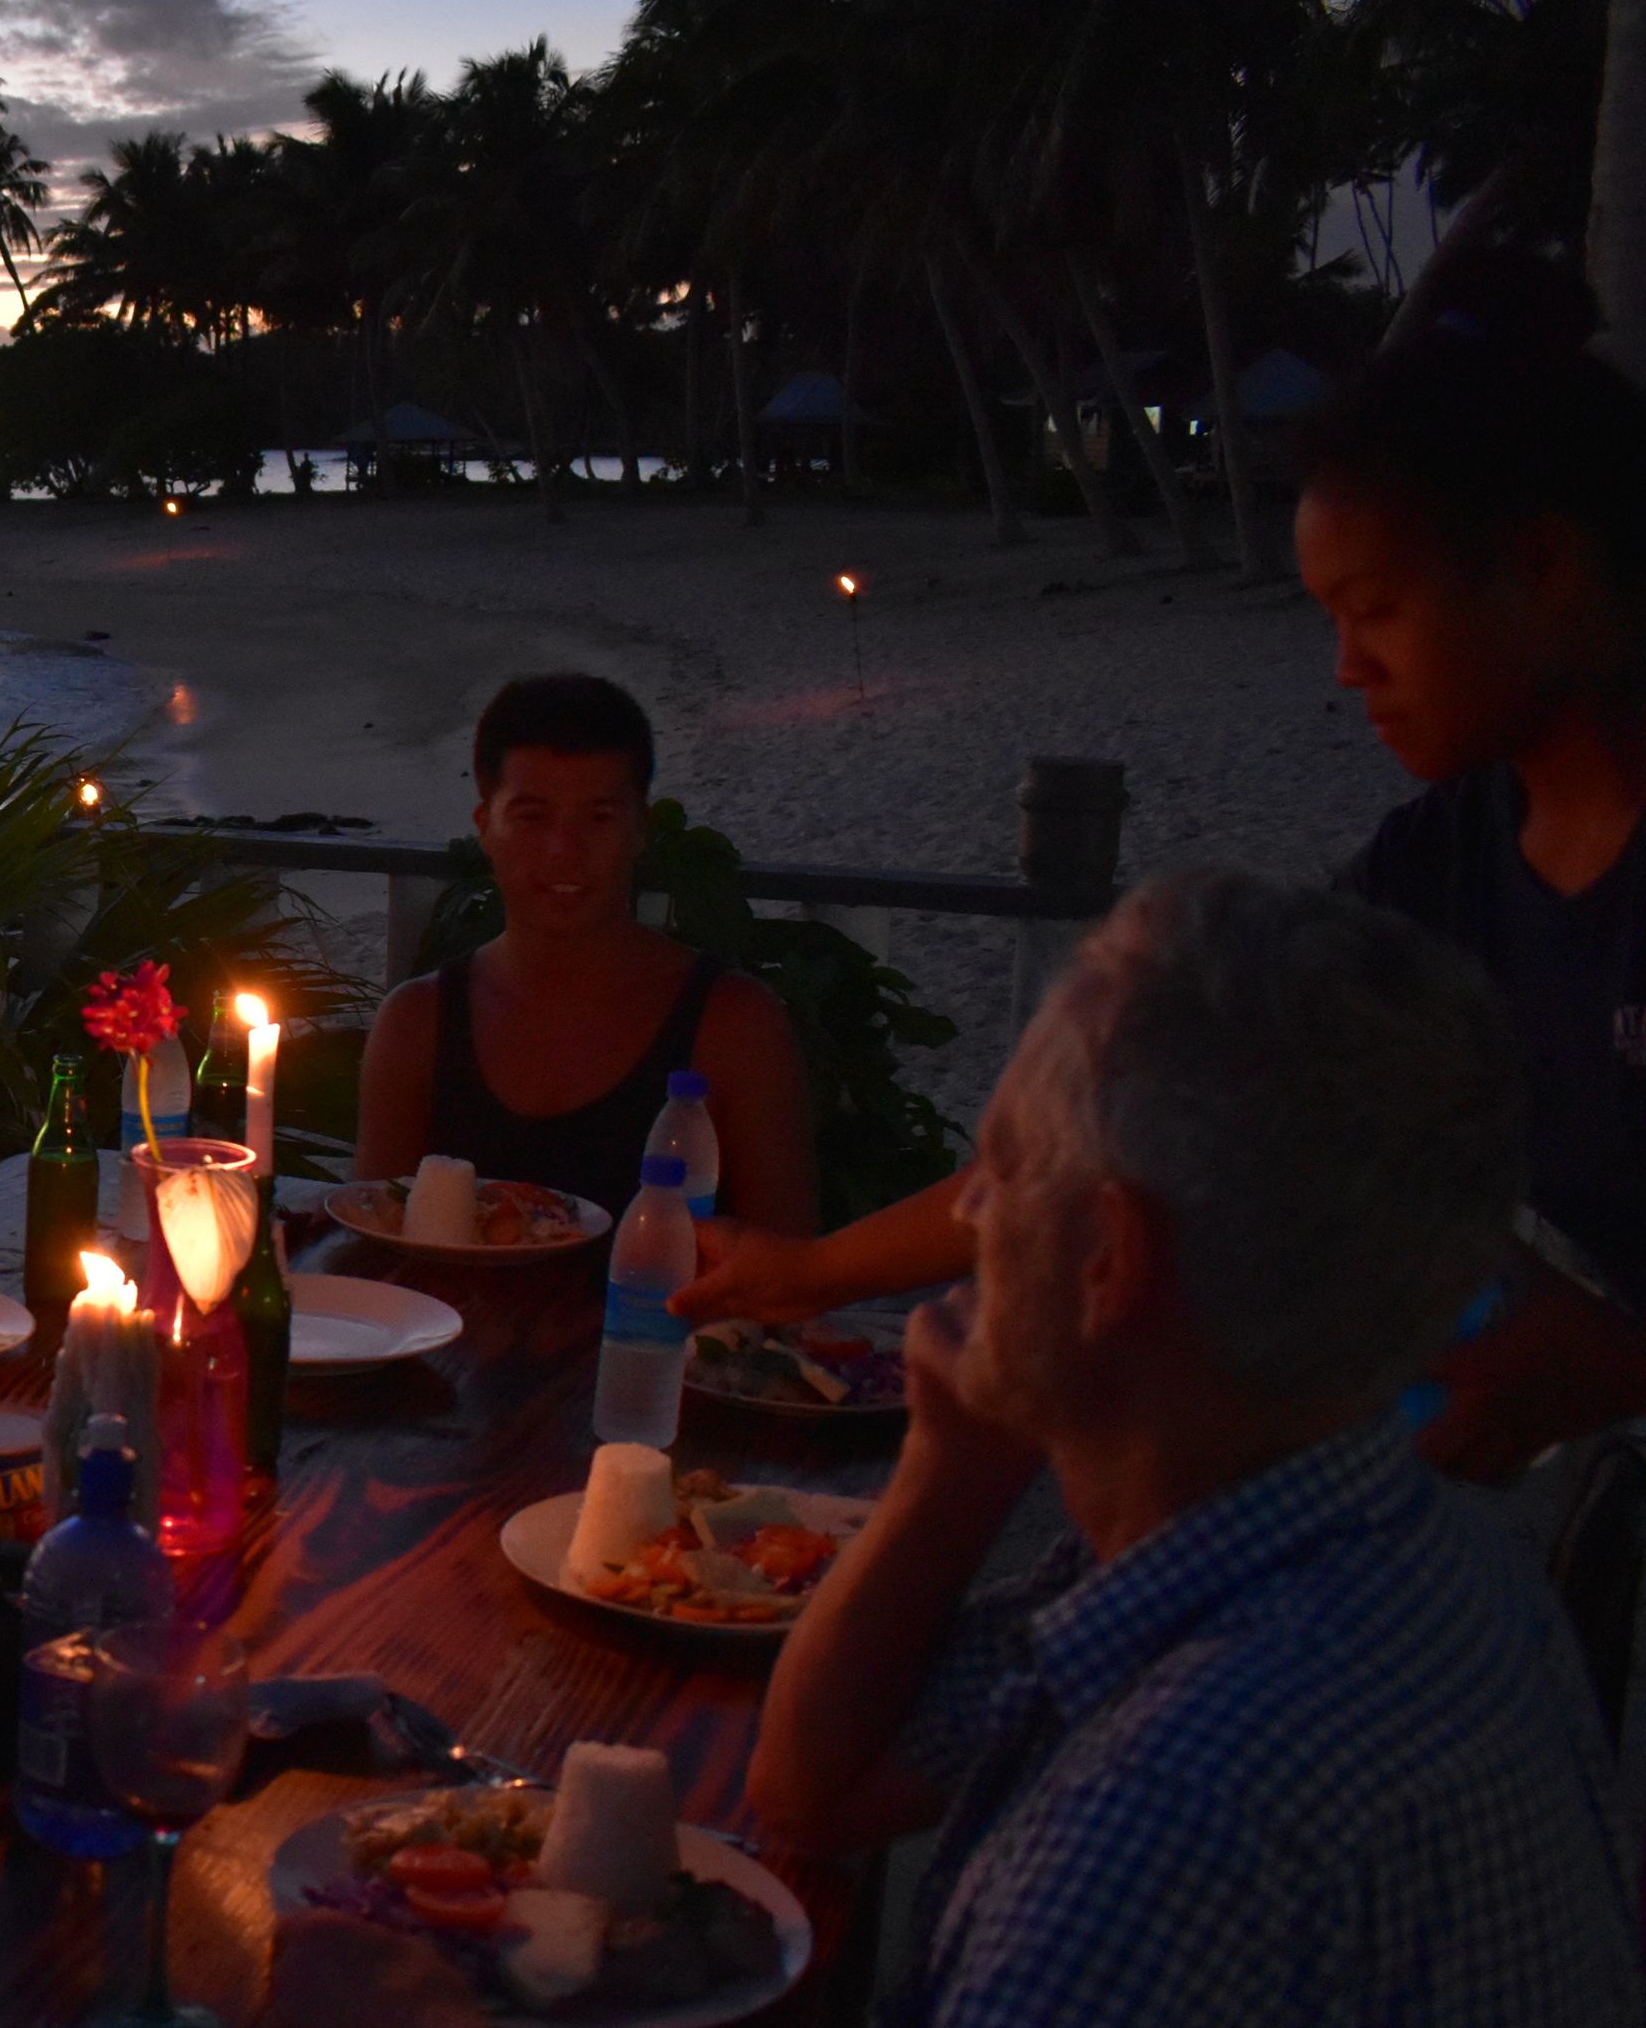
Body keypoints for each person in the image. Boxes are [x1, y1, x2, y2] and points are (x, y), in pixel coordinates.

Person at [274, 874, 1641, 2028]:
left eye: (1004, 1166)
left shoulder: (1194, 1811)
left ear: (1109, 1261)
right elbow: (821, 1789)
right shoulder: (1381, 1548)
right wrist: (958, 1449)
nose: (974, 1216)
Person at [679, 286, 1646, 1481]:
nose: (1348, 669)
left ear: (1543, 565)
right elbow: (1142, 1109)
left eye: (1378, 612)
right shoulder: (1448, 859)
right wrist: (811, 1271)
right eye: (1331, 620)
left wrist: (1614, 1363)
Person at [353, 673, 816, 1230]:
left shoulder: (734, 1026)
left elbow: (786, 1257)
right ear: (485, 827)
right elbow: (371, 1239)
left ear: (640, 829)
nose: (563, 850)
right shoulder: (417, 1024)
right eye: (532, 817)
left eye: (598, 818)